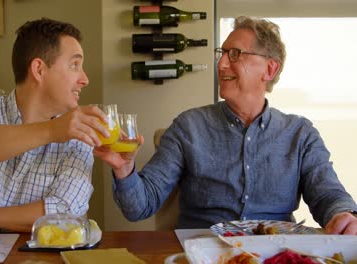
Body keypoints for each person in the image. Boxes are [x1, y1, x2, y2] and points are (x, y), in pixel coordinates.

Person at [94, 16, 357, 234]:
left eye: (235, 54)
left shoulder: (301, 134)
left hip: (275, 253)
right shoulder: (188, 126)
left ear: (269, 69)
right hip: (201, 253)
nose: (221, 64)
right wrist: (125, 168)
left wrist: (344, 215)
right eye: (222, 53)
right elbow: (140, 206)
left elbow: (329, 196)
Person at [0, 18, 110, 232]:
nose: (85, 79)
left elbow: (66, 212)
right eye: (74, 65)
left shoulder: (78, 135)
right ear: (39, 70)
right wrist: (52, 130)